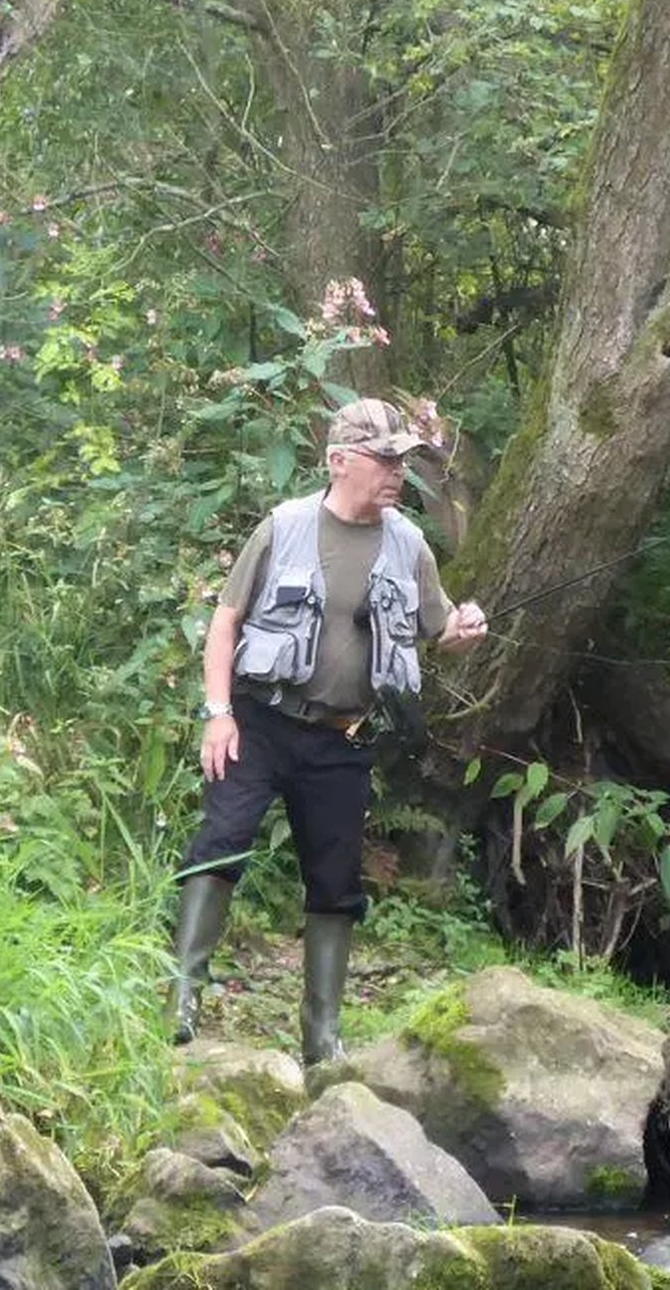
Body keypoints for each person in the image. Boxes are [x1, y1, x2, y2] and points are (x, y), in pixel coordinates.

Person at [169, 395, 488, 1065]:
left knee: (336, 881)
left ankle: (322, 1038)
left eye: (402, 461)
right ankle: (182, 998)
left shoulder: (410, 544)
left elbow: (440, 633)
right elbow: (226, 622)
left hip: (344, 738)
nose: (398, 473)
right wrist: (218, 714)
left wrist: (464, 630)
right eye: (385, 460)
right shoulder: (283, 528)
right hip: (258, 722)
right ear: (339, 461)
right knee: (221, 844)